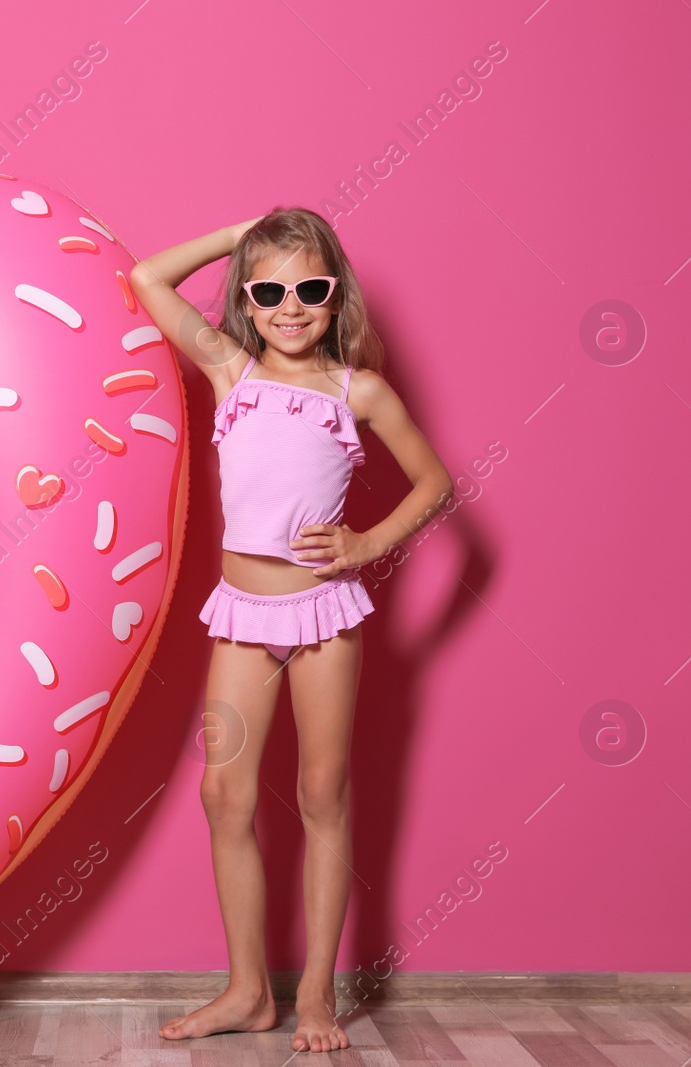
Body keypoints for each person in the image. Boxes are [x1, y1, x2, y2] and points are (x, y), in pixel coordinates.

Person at [128, 209, 453, 1053]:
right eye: (268, 290)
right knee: (223, 795)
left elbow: (434, 483)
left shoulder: (359, 391)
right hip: (242, 614)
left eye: (309, 288)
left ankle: (315, 993)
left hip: (320, 617)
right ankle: (246, 990)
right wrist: (237, 232)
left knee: (321, 796)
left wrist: (368, 543)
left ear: (334, 291)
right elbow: (148, 281)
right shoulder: (231, 371)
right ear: (246, 297)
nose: (290, 307)